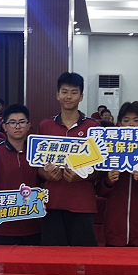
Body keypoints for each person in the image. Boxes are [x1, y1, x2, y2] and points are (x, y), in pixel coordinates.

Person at [36, 72, 100, 247]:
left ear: (81, 96)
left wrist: (82, 176)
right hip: (52, 204)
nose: (68, 96)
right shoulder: (45, 126)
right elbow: (37, 167)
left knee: (84, 258)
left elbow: (101, 170)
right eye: (64, 92)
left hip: (83, 204)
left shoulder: (94, 127)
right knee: (53, 258)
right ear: (57, 95)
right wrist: (47, 175)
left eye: (74, 92)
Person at [97, 101, 138, 247]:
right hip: (115, 230)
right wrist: (108, 181)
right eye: (126, 120)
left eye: (136, 120)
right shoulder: (107, 150)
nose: (131, 124)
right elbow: (99, 190)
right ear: (119, 124)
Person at [0, 104, 42, 245]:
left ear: (29, 126)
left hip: (33, 224)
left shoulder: (37, 152)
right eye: (12, 123)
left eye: (22, 122)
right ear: (4, 126)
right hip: (2, 226)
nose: (17, 126)